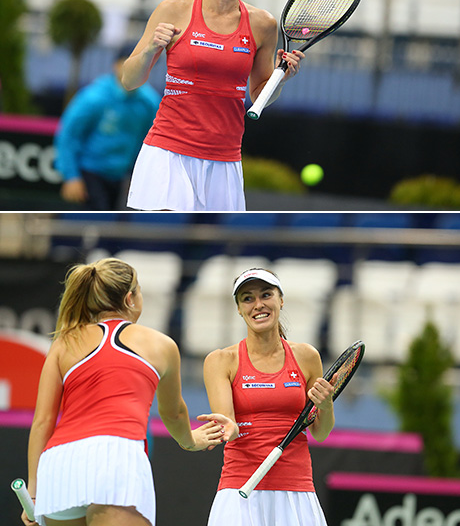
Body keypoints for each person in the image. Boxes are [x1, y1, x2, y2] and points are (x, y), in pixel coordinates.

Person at [25, 254, 225, 526]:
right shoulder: (161, 344)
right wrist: (190, 441)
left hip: (59, 466)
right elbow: (174, 413)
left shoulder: (64, 342)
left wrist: (34, 494)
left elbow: (42, 422)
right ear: (130, 298)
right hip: (117, 459)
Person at [123, 0, 302, 212]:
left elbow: (259, 96)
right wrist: (151, 48)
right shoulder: (173, 10)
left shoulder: (263, 24)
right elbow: (129, 80)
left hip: (225, 160)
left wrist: (281, 78)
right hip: (167, 153)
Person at [204, 265, 335, 526]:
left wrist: (327, 405)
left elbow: (319, 433)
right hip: (240, 487)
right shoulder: (221, 361)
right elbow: (227, 423)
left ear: (281, 300)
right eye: (247, 298)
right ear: (239, 309)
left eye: (266, 295)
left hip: (296, 489)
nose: (258, 305)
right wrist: (223, 429)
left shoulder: (307, 357)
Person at [54, 57, 160, 209]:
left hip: (123, 177)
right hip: (90, 173)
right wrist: (71, 176)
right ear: (116, 65)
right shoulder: (94, 97)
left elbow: (151, 142)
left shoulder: (150, 102)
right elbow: (69, 135)